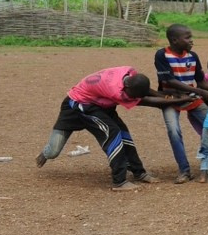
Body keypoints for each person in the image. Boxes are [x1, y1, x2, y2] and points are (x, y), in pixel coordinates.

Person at [36, 66, 196, 191]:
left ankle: (139, 172)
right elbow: (146, 101)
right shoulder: (116, 91)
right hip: (79, 106)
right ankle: (119, 182)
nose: (134, 98)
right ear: (126, 88)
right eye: (133, 95)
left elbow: (145, 92)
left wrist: (167, 97)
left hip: (101, 104)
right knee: (110, 134)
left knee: (123, 133)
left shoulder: (130, 74)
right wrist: (176, 101)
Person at [155, 24, 208, 184]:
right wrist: (199, 91)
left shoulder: (192, 56)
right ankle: (184, 170)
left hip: (192, 97)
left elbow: (201, 81)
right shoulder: (162, 55)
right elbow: (169, 80)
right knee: (174, 132)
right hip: (170, 98)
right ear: (174, 40)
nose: (192, 40)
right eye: (187, 38)